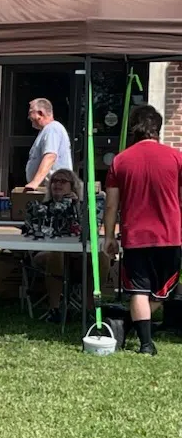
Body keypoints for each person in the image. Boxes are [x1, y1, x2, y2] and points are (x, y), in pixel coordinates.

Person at [103, 105, 182, 355]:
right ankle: (138, 331)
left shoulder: (120, 160)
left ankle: (143, 341)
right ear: (157, 128)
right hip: (169, 234)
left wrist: (108, 237)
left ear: (132, 129)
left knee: (138, 289)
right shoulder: (176, 157)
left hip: (135, 235)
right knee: (162, 291)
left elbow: (111, 205)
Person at [30, 168, 111, 323]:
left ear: (72, 186)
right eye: (54, 181)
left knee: (102, 257)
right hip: (49, 253)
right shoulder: (42, 208)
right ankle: (54, 310)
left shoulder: (83, 207)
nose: (57, 184)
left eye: (62, 181)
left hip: (78, 255)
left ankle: (88, 309)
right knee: (56, 253)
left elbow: (90, 232)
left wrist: (75, 207)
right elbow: (36, 232)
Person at [24, 98, 73, 190]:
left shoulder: (52, 128)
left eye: (30, 112)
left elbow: (50, 156)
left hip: (55, 191)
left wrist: (34, 183)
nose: (29, 117)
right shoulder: (46, 130)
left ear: (40, 113)